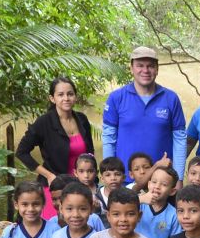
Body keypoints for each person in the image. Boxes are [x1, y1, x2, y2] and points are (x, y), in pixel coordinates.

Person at [102, 47, 187, 182]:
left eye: (150, 66)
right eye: (140, 66)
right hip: (125, 179)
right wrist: (109, 176)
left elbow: (180, 140)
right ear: (131, 68)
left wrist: (179, 178)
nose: (145, 70)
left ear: (157, 69)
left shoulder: (171, 98)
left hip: (162, 180)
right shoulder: (116, 98)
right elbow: (108, 139)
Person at [16, 77, 94, 220]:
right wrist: (49, 175)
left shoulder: (81, 119)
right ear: (52, 98)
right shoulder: (44, 122)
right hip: (54, 187)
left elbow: (90, 154)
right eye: (60, 95)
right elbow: (22, 152)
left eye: (70, 94)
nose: (66, 98)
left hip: (80, 186)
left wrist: (91, 180)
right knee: (51, 229)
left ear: (75, 96)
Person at [136, 166, 181, 238]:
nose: (157, 186)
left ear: (172, 191)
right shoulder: (138, 204)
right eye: (154, 182)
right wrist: (140, 199)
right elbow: (119, 205)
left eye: (164, 184)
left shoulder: (173, 215)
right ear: (148, 184)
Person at [94, 157, 126, 223]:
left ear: (123, 177)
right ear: (102, 178)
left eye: (117, 174)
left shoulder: (128, 195)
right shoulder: (96, 197)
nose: (113, 178)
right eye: (108, 175)